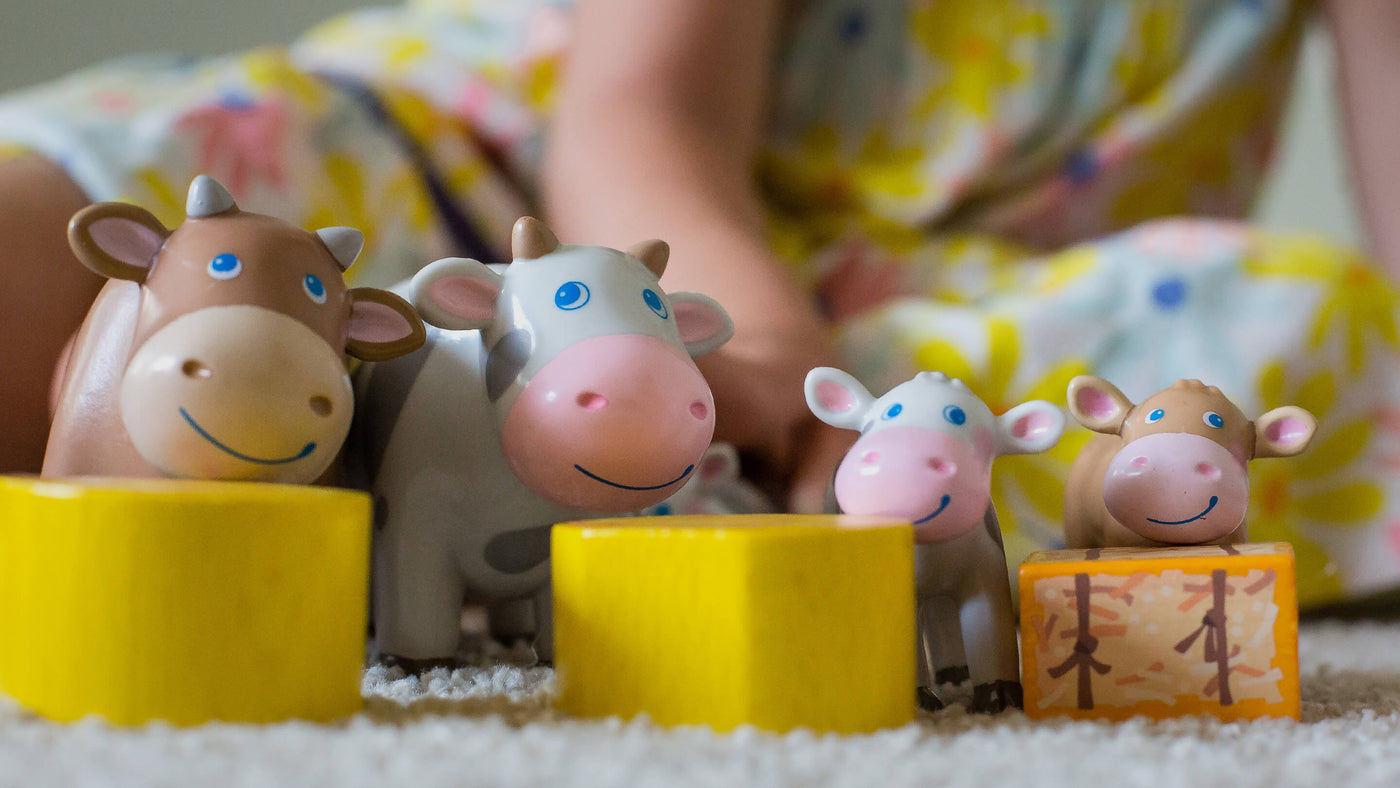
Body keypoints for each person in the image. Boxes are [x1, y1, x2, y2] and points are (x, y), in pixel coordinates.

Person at [0, 0, 1396, 605]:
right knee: (67, 252)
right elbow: (636, 106)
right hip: (498, 180)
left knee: (1312, 327)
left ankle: (428, 537)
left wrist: (818, 382)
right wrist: (766, 348)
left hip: (943, 333)